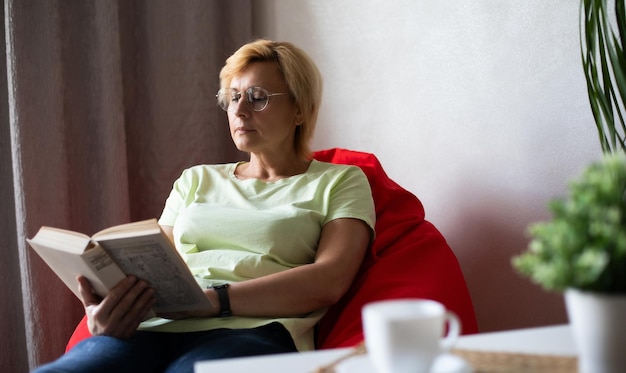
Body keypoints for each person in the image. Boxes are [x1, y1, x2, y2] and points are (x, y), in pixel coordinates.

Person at [33, 39, 375, 373]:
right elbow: (156, 261)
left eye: (257, 98)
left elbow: (330, 280)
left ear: (300, 108)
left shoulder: (340, 181)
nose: (239, 110)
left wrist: (214, 301)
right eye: (233, 97)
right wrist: (104, 310)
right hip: (150, 329)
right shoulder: (195, 179)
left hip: (250, 331)